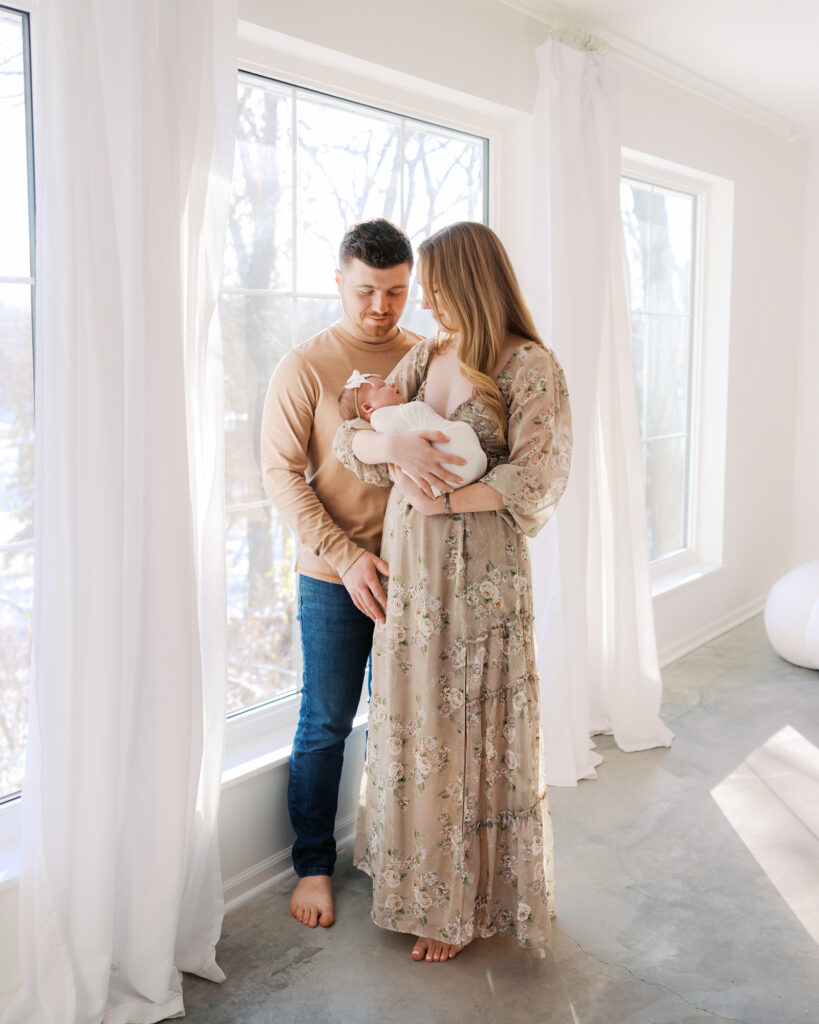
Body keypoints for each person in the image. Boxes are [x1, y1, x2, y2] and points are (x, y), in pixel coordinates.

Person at [333, 221, 572, 963]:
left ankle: (461, 905)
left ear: (468, 281)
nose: (425, 304)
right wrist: (390, 444)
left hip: (480, 574)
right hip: (412, 574)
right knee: (419, 731)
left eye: (434, 289)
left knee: (470, 731)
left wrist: (437, 500)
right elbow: (351, 441)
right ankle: (420, 885)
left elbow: (536, 474)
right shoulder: (424, 354)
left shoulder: (528, 365)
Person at [260, 219, 467, 931]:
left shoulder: (427, 358)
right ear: (339, 284)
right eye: (367, 291)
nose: (381, 307)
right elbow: (279, 476)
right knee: (325, 721)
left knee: (411, 724)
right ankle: (314, 864)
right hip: (333, 574)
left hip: (420, 574)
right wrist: (347, 559)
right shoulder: (303, 366)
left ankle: (400, 860)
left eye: (397, 292)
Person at [338, 371, 487, 493]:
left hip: (452, 475)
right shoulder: (382, 420)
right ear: (368, 408)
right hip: (465, 463)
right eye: (382, 386)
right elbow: (346, 438)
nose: (391, 383)